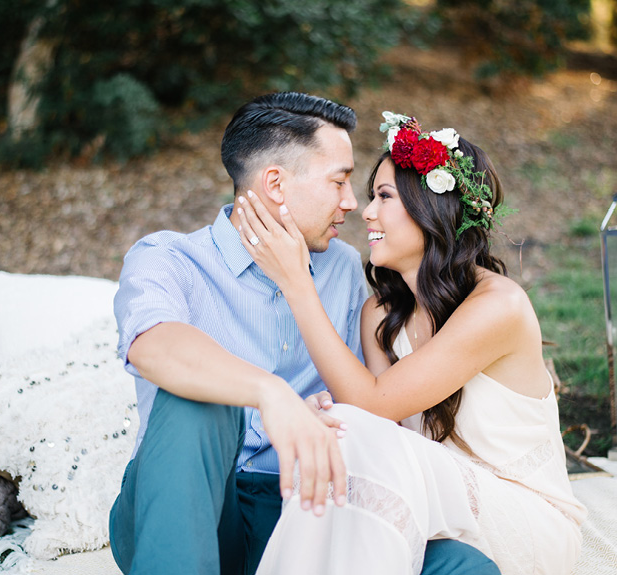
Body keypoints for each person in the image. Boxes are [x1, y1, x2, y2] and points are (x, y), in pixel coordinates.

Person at [109, 95, 502, 575]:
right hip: (194, 507)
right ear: (275, 183)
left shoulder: (340, 270)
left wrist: (329, 412)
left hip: (305, 511)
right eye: (338, 181)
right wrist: (271, 394)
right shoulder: (168, 259)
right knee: (198, 397)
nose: (352, 203)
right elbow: (152, 345)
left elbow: (369, 404)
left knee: (462, 566)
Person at [235, 111, 587, 575]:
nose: (365, 212)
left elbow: (372, 405)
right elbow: (382, 434)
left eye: (384, 197)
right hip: (437, 507)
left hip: (525, 519)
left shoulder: (499, 305)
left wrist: (297, 283)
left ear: (431, 208)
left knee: (346, 423)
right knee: (339, 432)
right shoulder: (381, 316)